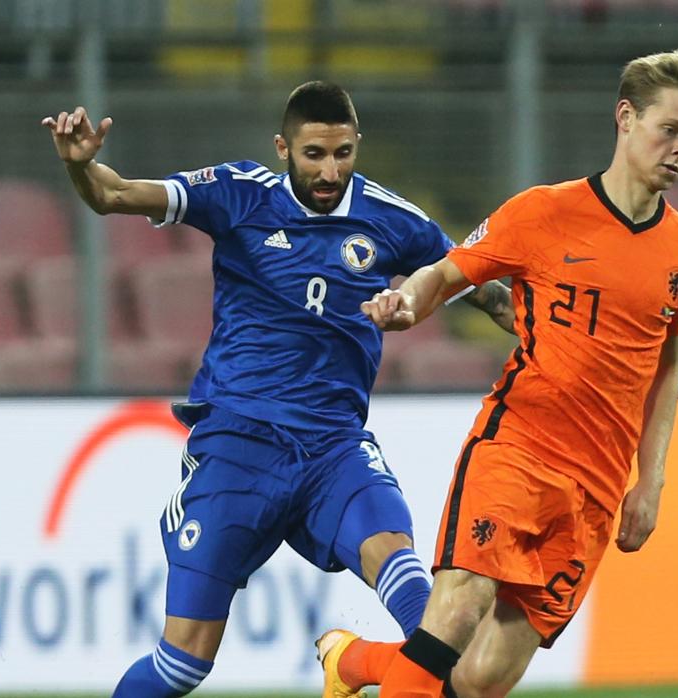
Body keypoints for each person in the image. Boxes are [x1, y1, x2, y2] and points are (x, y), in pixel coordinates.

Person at [41, 81, 515, 698]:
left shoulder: (396, 221)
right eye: (314, 154)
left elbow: (483, 288)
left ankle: (359, 663)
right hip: (240, 442)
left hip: (334, 449)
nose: (329, 170)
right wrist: (82, 167)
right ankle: (352, 663)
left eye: (342, 153)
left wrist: (542, 325)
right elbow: (113, 194)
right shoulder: (239, 193)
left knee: (423, 608)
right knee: (183, 664)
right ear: (282, 148)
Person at [317, 50, 678, 698]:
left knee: (480, 681)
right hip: (519, 449)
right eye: (669, 130)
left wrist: (651, 482)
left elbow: (666, 364)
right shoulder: (543, 213)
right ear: (626, 118)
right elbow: (449, 271)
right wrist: (407, 305)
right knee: (455, 610)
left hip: (594, 489)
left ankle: (359, 661)